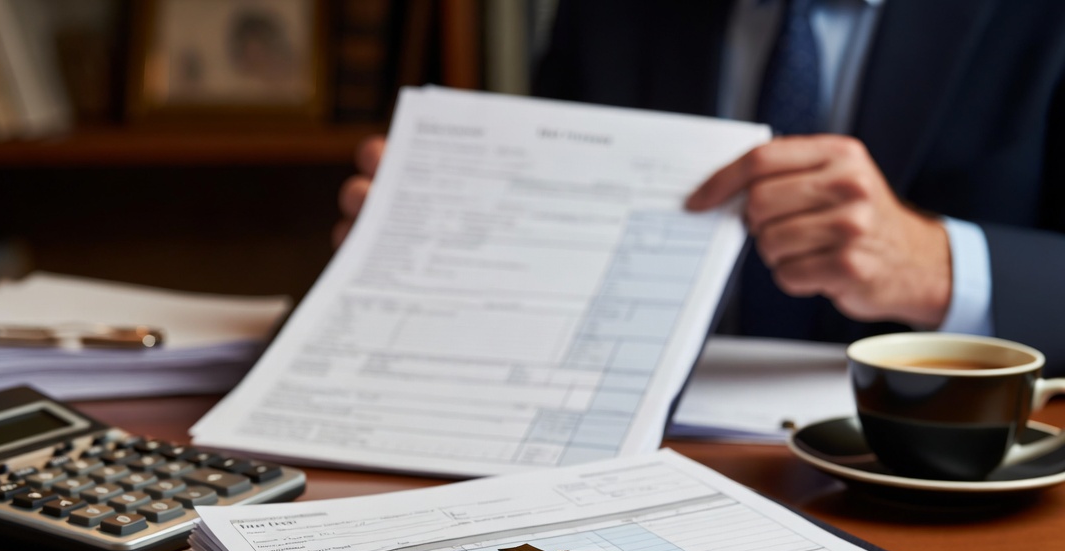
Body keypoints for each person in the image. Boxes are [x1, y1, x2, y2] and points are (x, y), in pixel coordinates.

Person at [335, 0, 1065, 373]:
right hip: (654, 459)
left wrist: (941, 266)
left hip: (956, 479)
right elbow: (562, 228)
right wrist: (436, 251)